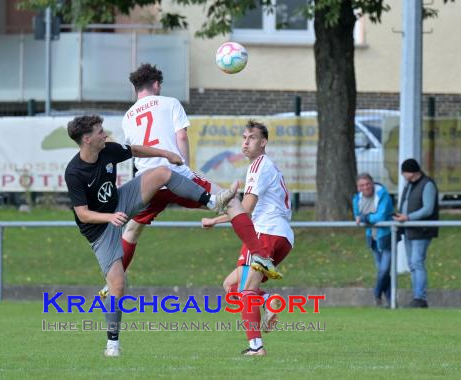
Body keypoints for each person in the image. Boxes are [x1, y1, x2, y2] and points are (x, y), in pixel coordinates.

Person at [97, 63, 279, 296]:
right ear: (156, 85)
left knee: (131, 230)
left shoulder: (128, 116)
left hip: (148, 182)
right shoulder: (170, 103)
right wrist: (185, 167)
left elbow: (136, 150)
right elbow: (181, 135)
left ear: (136, 89)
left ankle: (112, 280)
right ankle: (261, 256)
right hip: (175, 174)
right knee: (232, 202)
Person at [64, 115, 236, 357]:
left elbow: (135, 149)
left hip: (120, 203)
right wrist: (110, 219)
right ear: (86, 139)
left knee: (162, 173)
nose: (105, 134)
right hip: (99, 230)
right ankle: (112, 344)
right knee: (117, 285)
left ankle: (213, 202)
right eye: (100, 131)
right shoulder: (74, 172)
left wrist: (166, 154)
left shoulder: (108, 151)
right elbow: (83, 215)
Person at [202, 120, 294, 356]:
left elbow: (246, 209)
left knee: (246, 292)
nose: (245, 142)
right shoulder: (262, 166)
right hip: (280, 235)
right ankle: (269, 301)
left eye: (251, 138)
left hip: (266, 233)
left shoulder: (259, 167)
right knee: (230, 285)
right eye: (244, 138)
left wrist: (214, 219)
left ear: (263, 143)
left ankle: (256, 347)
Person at [393, 158, 439, 308]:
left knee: (417, 262)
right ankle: (417, 297)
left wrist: (409, 217)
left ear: (410, 172)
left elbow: (428, 209)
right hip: (409, 230)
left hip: (421, 230)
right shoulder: (410, 185)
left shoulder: (427, 185)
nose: (403, 176)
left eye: (404, 172)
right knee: (412, 264)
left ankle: (420, 298)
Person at [352, 173, 394, 307]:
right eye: (361, 185)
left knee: (384, 270)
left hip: (386, 236)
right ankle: (390, 301)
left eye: (367, 184)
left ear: (372, 183)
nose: (365, 187)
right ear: (358, 187)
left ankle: (376, 293)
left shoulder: (383, 194)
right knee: (383, 271)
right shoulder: (357, 198)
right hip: (372, 238)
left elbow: (380, 216)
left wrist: (365, 218)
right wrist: (363, 218)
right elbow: (357, 215)